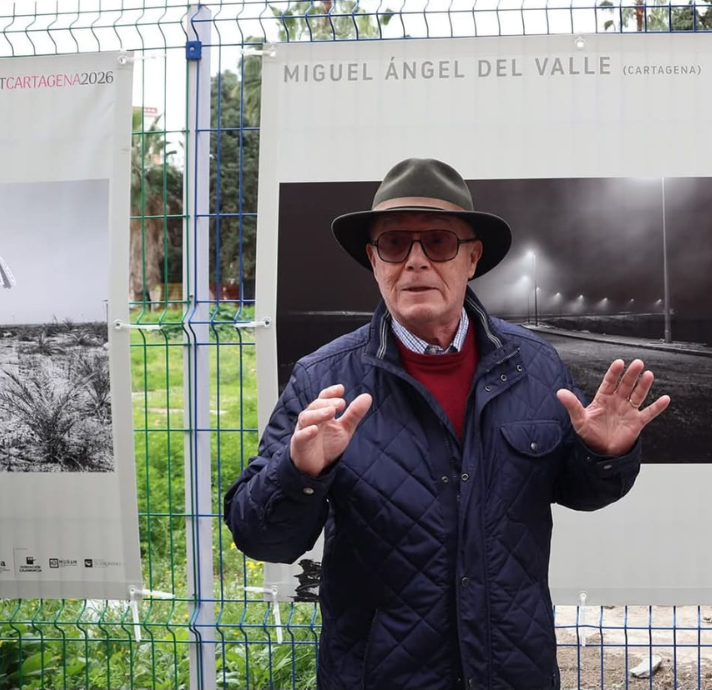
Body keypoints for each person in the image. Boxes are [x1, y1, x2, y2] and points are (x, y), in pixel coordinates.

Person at [223, 158, 672, 690]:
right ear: (373, 260)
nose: (415, 261)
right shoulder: (322, 379)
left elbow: (582, 491)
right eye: (394, 244)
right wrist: (299, 471)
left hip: (514, 673)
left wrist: (604, 456)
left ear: (472, 258)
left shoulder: (535, 365)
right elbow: (262, 539)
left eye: (437, 242)